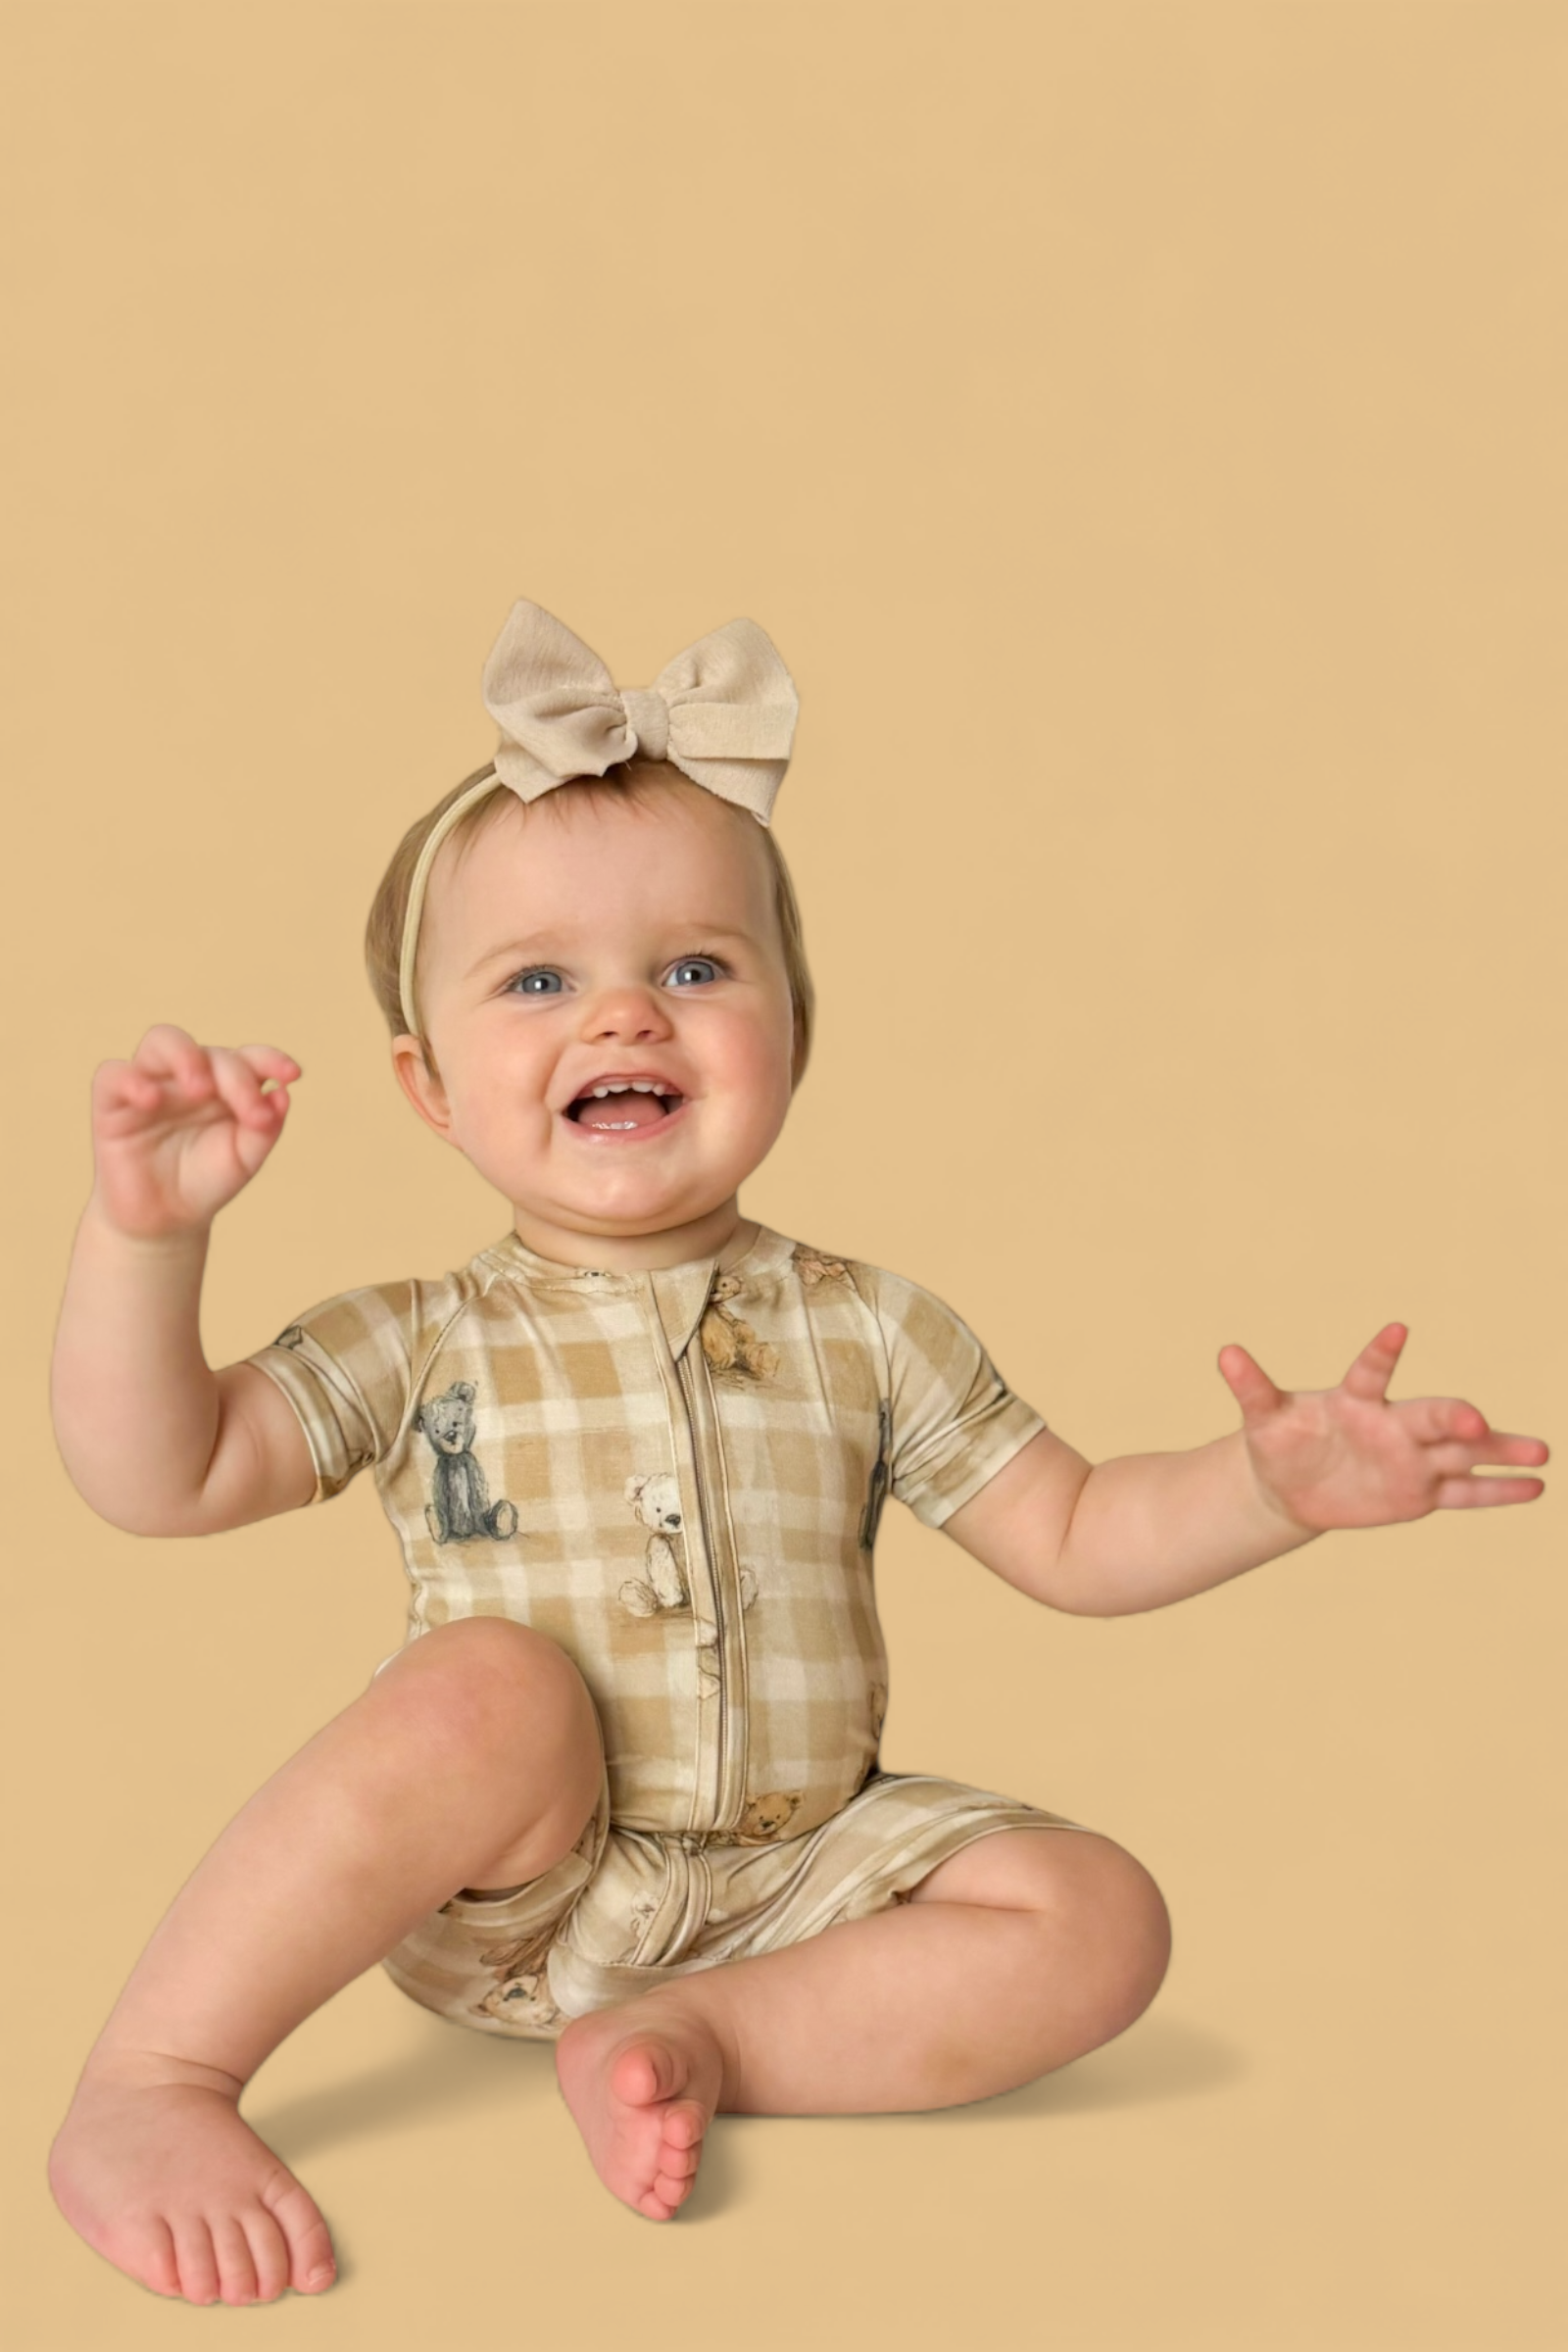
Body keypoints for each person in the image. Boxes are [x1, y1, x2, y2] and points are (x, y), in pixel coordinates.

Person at [47, 599, 1548, 2307]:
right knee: (488, 1690)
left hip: (806, 1884)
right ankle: (155, 2077)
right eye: (539, 980)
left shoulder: (872, 1326)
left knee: (1100, 1913)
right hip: (509, 1895)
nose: (626, 1016)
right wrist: (148, 1239)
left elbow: (1076, 1536)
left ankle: (701, 2039)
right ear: (431, 1085)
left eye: (695, 969)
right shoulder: (420, 1336)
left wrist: (1267, 1490)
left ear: (794, 1035)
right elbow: (157, 1476)